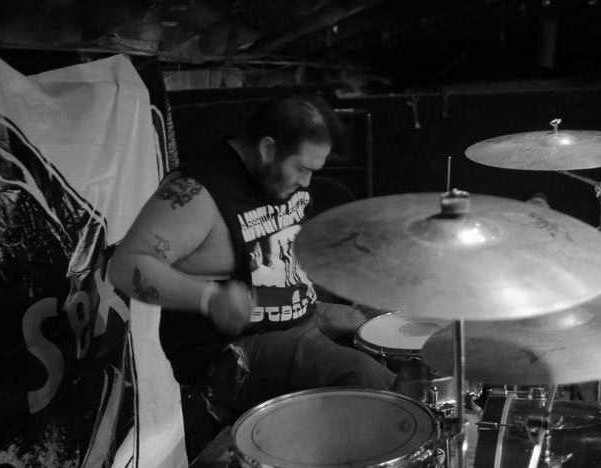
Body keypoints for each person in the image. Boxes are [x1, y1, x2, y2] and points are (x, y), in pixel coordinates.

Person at [107, 94, 395, 422]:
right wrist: (210, 298)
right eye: (302, 168)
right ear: (268, 148)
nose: (307, 181)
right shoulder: (197, 193)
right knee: (363, 375)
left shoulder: (275, 177)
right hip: (229, 351)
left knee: (381, 327)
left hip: (296, 318)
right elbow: (125, 266)